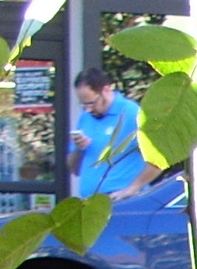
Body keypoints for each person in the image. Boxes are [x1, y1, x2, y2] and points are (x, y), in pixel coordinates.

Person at [67, 69, 159, 201]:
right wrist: (78, 148)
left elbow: (160, 158)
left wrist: (133, 188)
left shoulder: (133, 113)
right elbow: (75, 170)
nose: (88, 109)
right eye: (83, 104)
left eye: (92, 103)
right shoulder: (85, 117)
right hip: (90, 202)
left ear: (106, 90)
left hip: (121, 201)